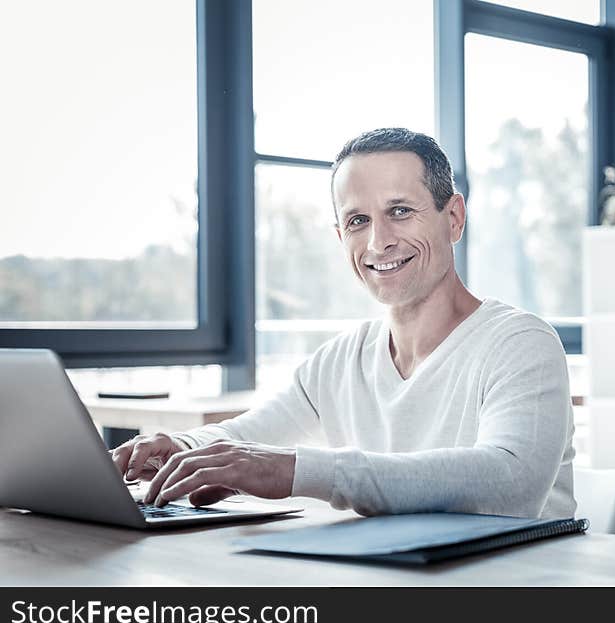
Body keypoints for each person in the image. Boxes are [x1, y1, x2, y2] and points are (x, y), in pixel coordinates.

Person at [112, 127, 576, 519]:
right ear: (341, 237)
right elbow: (248, 438)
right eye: (357, 221)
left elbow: (511, 483)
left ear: (453, 217)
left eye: (399, 211)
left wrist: (296, 471)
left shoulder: (520, 343)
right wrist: (181, 447)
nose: (379, 242)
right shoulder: (341, 360)